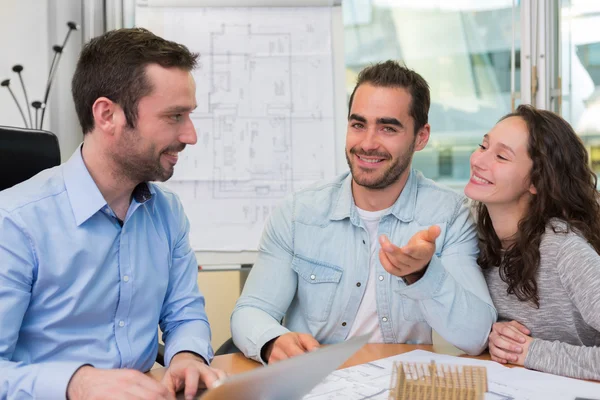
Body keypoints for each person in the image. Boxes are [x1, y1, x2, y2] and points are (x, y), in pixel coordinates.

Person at [0, 28, 225, 399]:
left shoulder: (167, 213)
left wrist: (187, 355)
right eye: (174, 116)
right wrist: (76, 383)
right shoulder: (15, 223)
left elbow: (185, 314)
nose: (190, 135)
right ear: (108, 115)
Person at [230, 60, 497, 364]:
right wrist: (272, 341)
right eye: (358, 125)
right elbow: (250, 311)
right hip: (316, 385)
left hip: (399, 389)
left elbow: (475, 336)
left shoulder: (449, 215)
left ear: (421, 137)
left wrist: (423, 274)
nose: (367, 144)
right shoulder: (298, 213)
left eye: (388, 128)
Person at [465, 104, 600, 380]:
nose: (478, 160)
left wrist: (531, 352)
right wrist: (496, 336)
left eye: (501, 156)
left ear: (536, 182)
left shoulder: (564, 251)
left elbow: (529, 351)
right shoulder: (474, 239)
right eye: (483, 146)